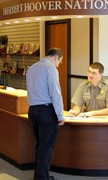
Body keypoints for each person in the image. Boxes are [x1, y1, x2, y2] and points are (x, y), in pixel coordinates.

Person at [26, 47, 65, 180]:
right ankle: (42, 178)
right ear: (56, 57)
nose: (59, 64)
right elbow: (55, 93)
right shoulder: (50, 68)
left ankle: (40, 176)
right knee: (46, 147)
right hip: (46, 111)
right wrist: (60, 115)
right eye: (60, 61)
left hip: (33, 110)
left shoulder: (32, 67)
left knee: (41, 144)